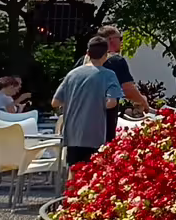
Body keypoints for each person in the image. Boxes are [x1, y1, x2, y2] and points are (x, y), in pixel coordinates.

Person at [51, 36, 125, 170]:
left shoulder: (72, 74)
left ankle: (70, 191)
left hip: (72, 132)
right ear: (106, 54)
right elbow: (112, 102)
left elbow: (55, 102)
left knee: (73, 170)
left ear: (88, 53)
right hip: (95, 132)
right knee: (93, 172)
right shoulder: (108, 75)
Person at [96, 26, 150, 135]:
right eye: (120, 38)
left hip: (79, 119)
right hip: (103, 119)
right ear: (111, 40)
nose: (122, 41)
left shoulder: (83, 61)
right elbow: (128, 89)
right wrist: (143, 102)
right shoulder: (115, 61)